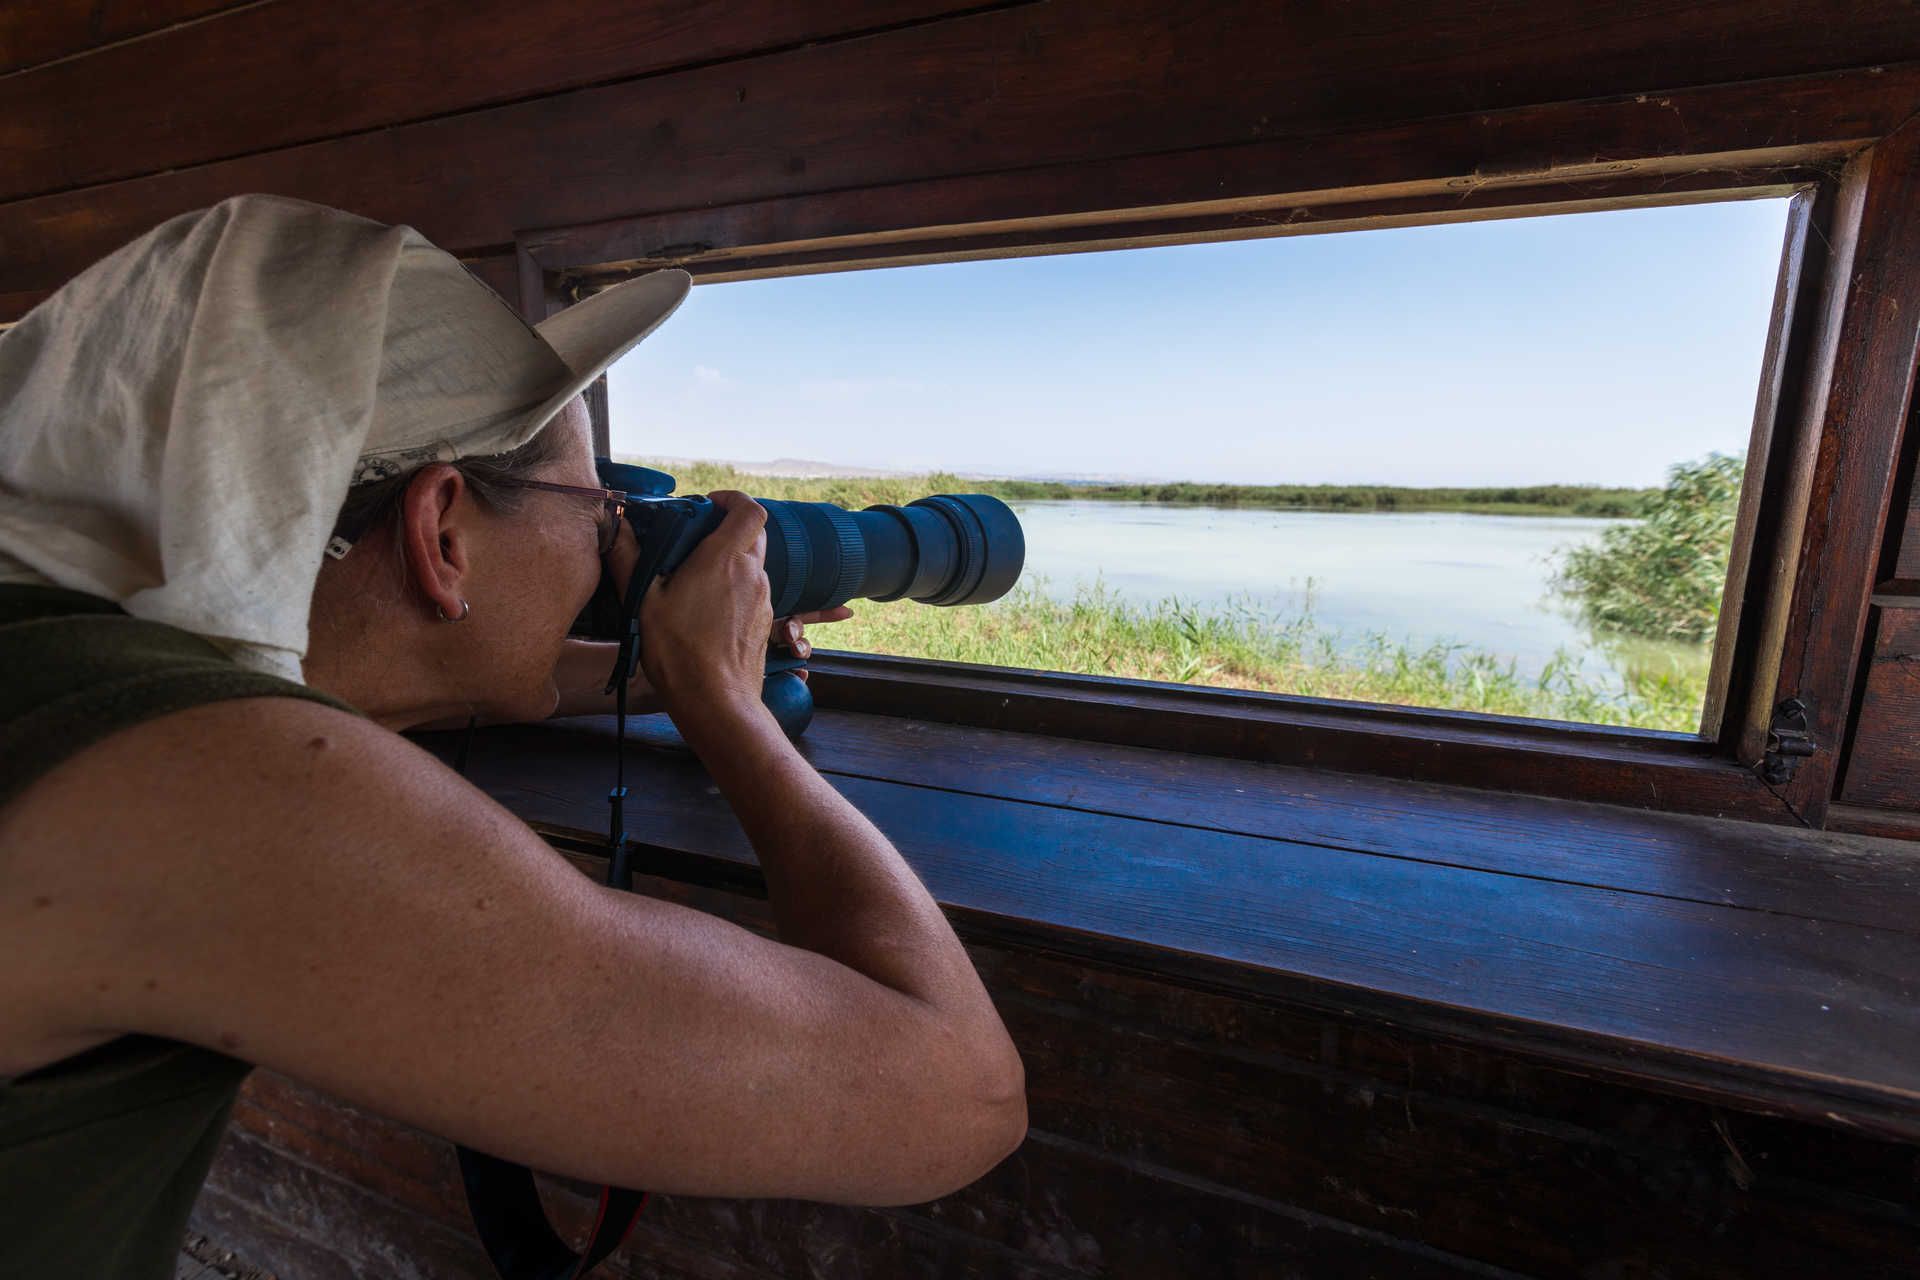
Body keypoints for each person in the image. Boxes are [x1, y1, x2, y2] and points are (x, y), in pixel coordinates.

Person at [0, 195, 1027, 1278]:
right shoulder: (205, 785)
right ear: (442, 529)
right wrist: (729, 713)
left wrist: (672, 666)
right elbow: (962, 1089)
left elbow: (375, 676)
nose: (607, 546)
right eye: (594, 513)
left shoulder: (74, 660)